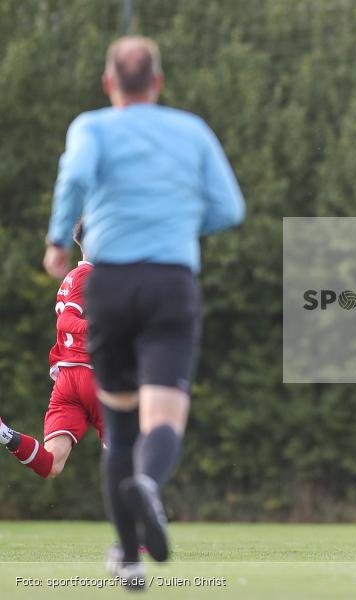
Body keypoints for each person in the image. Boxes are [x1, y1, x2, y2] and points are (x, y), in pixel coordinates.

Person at [43, 36, 245, 587]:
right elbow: (230, 208)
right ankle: (150, 485)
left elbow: (74, 179)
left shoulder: (90, 127)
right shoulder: (191, 130)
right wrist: (178, 224)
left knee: (121, 424)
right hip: (169, 284)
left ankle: (129, 560)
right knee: (165, 416)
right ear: (158, 82)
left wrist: (58, 240)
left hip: (108, 285)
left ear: (109, 83)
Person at [1, 221, 101, 480]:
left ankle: (4, 434)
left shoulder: (74, 277)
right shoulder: (89, 276)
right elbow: (66, 321)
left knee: (52, 464)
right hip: (95, 375)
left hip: (68, 380)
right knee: (128, 452)